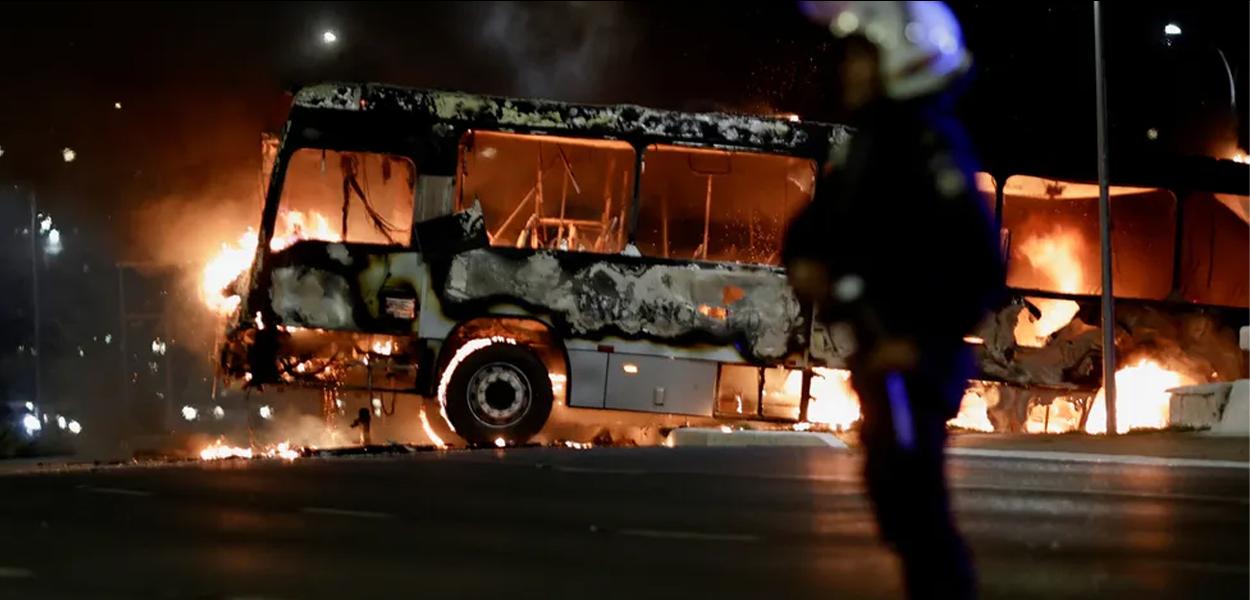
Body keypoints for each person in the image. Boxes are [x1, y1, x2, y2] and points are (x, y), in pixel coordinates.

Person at [786, 3, 1004, 599]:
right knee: (895, 497)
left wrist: (917, 338)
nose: (849, 70)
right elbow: (822, 221)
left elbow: (979, 264)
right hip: (879, 356)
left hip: (913, 363)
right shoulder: (877, 143)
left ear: (906, 59)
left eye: (863, 56)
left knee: (915, 508)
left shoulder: (930, 147)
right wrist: (805, 257)